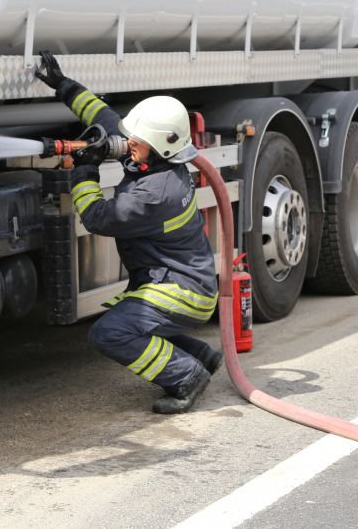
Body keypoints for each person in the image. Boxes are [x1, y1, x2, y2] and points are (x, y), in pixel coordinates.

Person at [34, 51, 222, 414]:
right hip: (180, 280)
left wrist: (84, 171)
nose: (127, 143)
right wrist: (61, 83)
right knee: (134, 317)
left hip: (185, 292)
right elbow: (99, 115)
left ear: (160, 145)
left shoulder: (156, 193)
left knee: (110, 332)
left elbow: (98, 217)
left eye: (136, 140)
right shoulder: (151, 156)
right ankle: (203, 356)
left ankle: (185, 375)